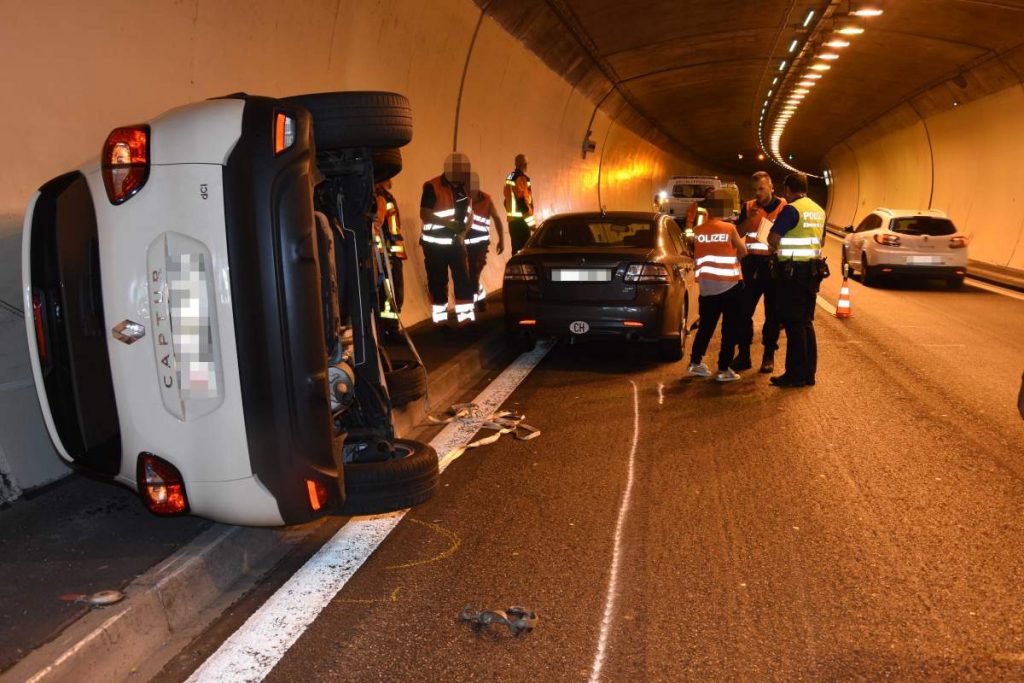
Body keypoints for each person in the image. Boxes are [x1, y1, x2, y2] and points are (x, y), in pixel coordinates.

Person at [767, 173, 827, 388]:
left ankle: (795, 374)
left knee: (793, 324)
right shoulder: (818, 210)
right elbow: (822, 240)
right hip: (812, 272)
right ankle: (808, 373)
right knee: (805, 323)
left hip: (793, 273)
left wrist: (773, 246)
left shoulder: (792, 209)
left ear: (788, 190)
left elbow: (773, 238)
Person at [686, 206, 749, 383]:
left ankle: (695, 362)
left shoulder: (698, 231)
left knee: (706, 327)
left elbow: (692, 250)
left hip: (707, 287)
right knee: (729, 329)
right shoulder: (729, 228)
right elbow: (743, 251)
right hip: (730, 285)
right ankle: (723, 369)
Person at [732, 171, 786, 373]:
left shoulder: (784, 208)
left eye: (761, 189)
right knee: (743, 312)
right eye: (755, 190)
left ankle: (768, 356)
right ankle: (744, 355)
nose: (758, 193)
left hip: (772, 266)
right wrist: (750, 219)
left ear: (771, 187)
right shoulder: (748, 207)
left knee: (773, 314)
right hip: (751, 265)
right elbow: (738, 233)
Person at [420, 153, 476, 326]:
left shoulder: (463, 189)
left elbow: (469, 214)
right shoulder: (432, 186)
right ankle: (440, 321)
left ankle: (466, 319)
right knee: (438, 281)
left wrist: (462, 233)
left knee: (463, 280)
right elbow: (424, 214)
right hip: (434, 245)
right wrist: (449, 225)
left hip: (456, 243)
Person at [466, 172, 507, 312]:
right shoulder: (462, 200)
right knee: (470, 274)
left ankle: (470, 306)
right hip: (465, 245)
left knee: (474, 272)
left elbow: (496, 218)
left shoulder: (486, 200)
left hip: (480, 245)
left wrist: (502, 239)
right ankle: (481, 296)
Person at [374, 179, 407, 322]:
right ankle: (391, 328)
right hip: (388, 252)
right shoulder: (380, 196)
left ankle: (389, 328)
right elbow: (378, 222)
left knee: (390, 291)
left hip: (389, 251)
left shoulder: (384, 195)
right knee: (392, 292)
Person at [504, 154, 535, 254]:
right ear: (524, 165)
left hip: (512, 222)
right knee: (524, 252)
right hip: (521, 222)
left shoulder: (510, 177)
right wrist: (531, 224)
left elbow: (506, 201)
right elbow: (522, 202)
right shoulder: (521, 178)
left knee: (516, 251)